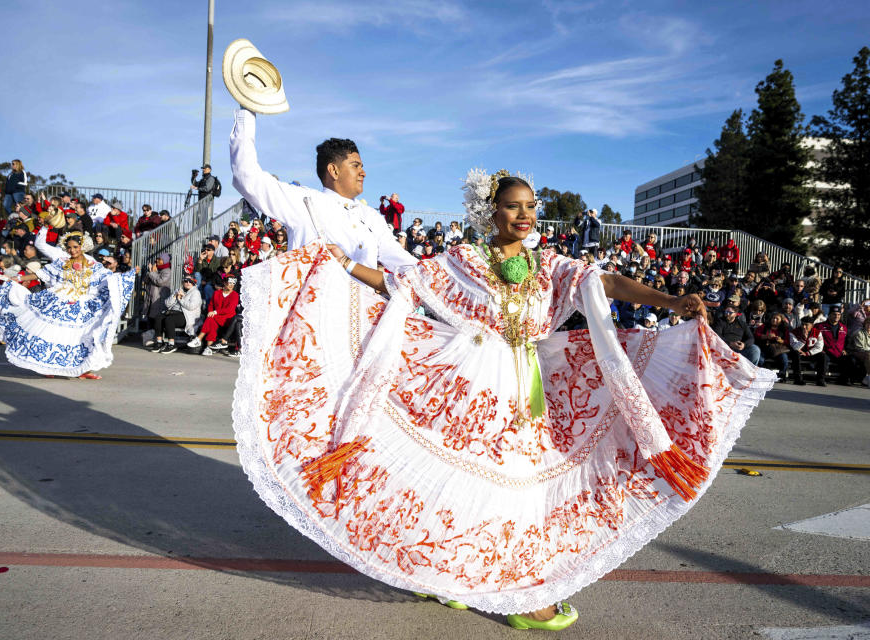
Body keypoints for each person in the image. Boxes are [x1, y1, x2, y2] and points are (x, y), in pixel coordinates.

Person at [231, 171, 774, 629]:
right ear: (490, 212)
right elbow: (404, 287)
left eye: (530, 207)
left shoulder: (551, 266)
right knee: (467, 486)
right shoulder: (462, 261)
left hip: (526, 391)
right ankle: (470, 582)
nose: (524, 216)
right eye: (512, 208)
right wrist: (343, 266)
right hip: (467, 388)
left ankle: (507, 587)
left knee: (518, 492)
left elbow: (605, 283)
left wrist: (670, 298)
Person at [229, 107, 416, 272]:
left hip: (362, 309)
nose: (363, 173)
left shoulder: (371, 217)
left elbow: (403, 262)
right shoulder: (304, 201)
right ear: (334, 170)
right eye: (355, 166)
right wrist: (248, 110)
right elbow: (247, 177)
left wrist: (442, 273)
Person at [0, 228, 135, 379]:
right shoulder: (62, 262)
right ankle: (47, 367)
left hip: (81, 304)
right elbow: (41, 274)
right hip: (58, 301)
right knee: (52, 335)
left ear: (82, 246)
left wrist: (127, 276)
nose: (72, 250)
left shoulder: (93, 263)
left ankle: (82, 370)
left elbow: (107, 279)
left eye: (75, 247)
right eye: (69, 247)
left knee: (78, 337)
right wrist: (18, 279)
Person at [186, 272, 238, 355]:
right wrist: (211, 311)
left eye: (233, 283)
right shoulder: (217, 293)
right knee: (211, 321)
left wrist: (215, 312)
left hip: (227, 319)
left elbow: (229, 309)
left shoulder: (235, 295)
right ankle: (209, 347)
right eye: (230, 282)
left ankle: (199, 339)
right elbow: (211, 305)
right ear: (224, 282)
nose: (232, 285)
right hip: (216, 318)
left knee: (211, 319)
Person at [151, 276, 202, 354]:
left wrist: (181, 298)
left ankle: (171, 344)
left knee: (169, 320)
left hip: (187, 316)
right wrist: (175, 296)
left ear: (193, 283)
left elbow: (191, 307)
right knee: (158, 317)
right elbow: (167, 304)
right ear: (183, 282)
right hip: (173, 312)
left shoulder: (195, 292)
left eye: (190, 281)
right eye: (186, 281)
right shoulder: (178, 290)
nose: (188, 283)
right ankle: (159, 342)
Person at [816, 305, 856, 385]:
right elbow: (814, 340)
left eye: (838, 314)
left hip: (838, 352)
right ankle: (820, 380)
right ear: (829, 315)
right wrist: (820, 349)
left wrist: (845, 350)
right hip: (825, 352)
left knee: (851, 359)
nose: (836, 316)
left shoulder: (843, 327)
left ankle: (843, 379)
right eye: (834, 314)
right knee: (822, 357)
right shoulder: (820, 326)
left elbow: (847, 341)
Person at [143, 253, 172, 349]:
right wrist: (151, 272)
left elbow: (160, 281)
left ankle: (157, 340)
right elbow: (146, 280)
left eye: (159, 260)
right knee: (150, 319)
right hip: (151, 298)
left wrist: (152, 272)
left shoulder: (167, 271)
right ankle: (150, 339)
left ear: (164, 260)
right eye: (156, 260)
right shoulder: (155, 270)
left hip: (159, 300)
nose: (157, 261)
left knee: (157, 320)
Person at [789, 316, 827, 386]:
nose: (804, 327)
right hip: (799, 353)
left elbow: (819, 347)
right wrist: (803, 339)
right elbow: (795, 347)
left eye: (806, 325)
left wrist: (807, 353)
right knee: (795, 353)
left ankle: (821, 379)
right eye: (802, 324)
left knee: (823, 355)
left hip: (810, 353)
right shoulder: (793, 332)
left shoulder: (818, 332)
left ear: (812, 325)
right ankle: (798, 379)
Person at [755, 312, 791, 381]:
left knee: (784, 359)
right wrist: (766, 336)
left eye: (777, 319)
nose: (774, 320)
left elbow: (788, 341)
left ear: (781, 320)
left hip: (778, 350)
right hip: (765, 348)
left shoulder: (785, 329)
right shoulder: (764, 326)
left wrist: (781, 340)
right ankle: (760, 375)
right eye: (773, 318)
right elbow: (756, 334)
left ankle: (782, 375)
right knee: (760, 360)